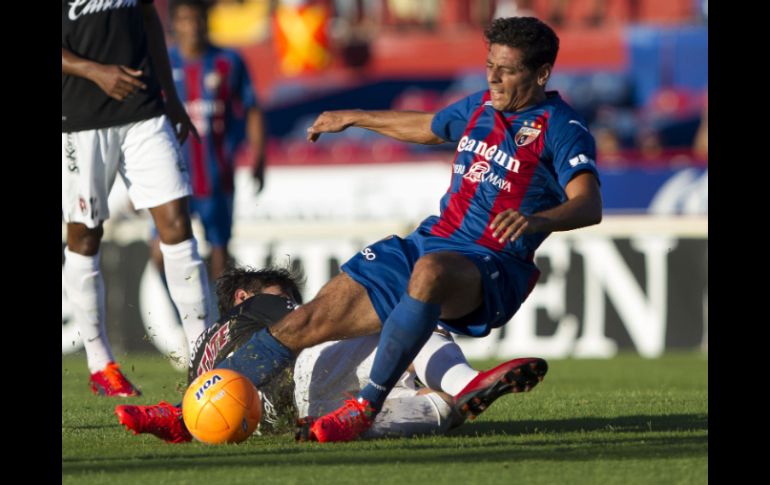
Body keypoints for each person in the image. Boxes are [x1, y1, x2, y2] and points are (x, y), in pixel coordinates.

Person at [211, 15, 601, 443]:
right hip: (429, 240)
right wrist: (356, 117)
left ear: (542, 73)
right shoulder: (481, 107)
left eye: (506, 70)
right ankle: (193, 404)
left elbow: (589, 203)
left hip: (492, 262)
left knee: (430, 273)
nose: (493, 77)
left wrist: (537, 220)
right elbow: (428, 127)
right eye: (490, 64)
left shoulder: (563, 128)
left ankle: (365, 408)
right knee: (308, 318)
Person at [115, 266, 548, 443]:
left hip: (267, 419)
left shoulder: (206, 347)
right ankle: (462, 383)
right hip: (305, 370)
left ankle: (446, 402)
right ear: (245, 295)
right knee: (409, 319)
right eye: (286, 298)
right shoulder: (257, 308)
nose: (294, 307)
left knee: (376, 416)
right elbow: (317, 322)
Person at [62, 0, 212, 396]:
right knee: (84, 235)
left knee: (178, 225)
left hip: (145, 111)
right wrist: (96, 72)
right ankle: (100, 362)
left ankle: (206, 359)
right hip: (81, 117)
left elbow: (148, 19)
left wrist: (172, 98)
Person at [150, 0, 267, 281]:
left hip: (216, 174)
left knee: (219, 256)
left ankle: (218, 320)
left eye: (197, 18)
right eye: (185, 20)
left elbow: (251, 109)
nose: (192, 26)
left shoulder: (229, 61)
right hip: (170, 175)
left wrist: (259, 158)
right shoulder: (161, 63)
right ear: (174, 24)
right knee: (158, 253)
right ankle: (184, 319)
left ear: (206, 21)